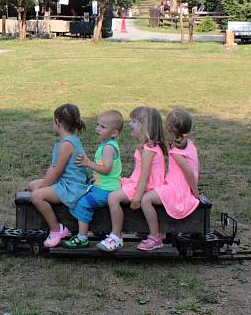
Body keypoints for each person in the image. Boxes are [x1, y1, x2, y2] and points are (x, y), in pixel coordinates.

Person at [98, 106, 167, 252]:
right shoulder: (146, 147)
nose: (129, 124)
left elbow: (145, 176)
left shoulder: (149, 150)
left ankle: (116, 236)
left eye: (134, 121)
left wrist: (137, 197)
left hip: (145, 186)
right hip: (138, 182)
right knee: (114, 185)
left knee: (113, 197)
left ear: (146, 126)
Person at [28, 104, 91, 248]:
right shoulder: (70, 140)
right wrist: (44, 184)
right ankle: (53, 215)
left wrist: (43, 187)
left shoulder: (66, 145)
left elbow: (56, 171)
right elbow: (54, 169)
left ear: (57, 122)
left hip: (72, 187)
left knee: (36, 196)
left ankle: (56, 229)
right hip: (65, 182)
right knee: (32, 185)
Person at [138, 108, 201, 251]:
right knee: (151, 190)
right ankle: (147, 226)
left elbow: (189, 173)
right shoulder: (189, 143)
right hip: (178, 185)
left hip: (178, 189)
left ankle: (155, 237)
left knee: (146, 199)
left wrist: (195, 193)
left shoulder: (177, 151)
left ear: (169, 128)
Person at [64, 110, 125, 248]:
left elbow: (106, 169)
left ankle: (82, 237)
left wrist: (88, 163)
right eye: (98, 125)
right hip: (103, 187)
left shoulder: (108, 148)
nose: (98, 128)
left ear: (114, 133)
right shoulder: (107, 145)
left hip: (106, 190)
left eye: (103, 127)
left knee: (83, 203)